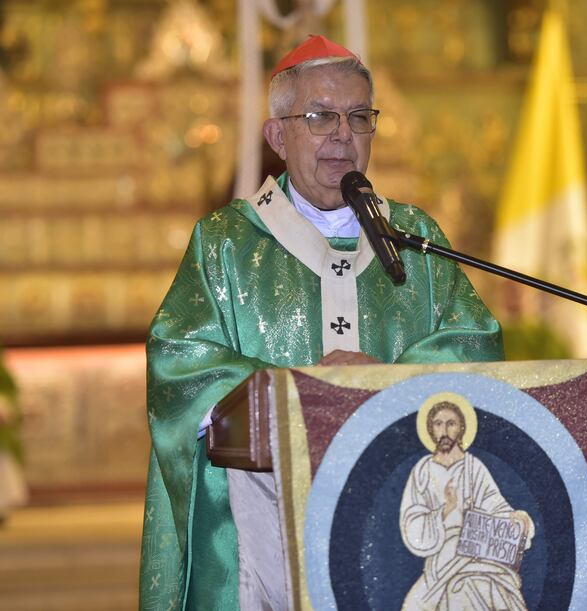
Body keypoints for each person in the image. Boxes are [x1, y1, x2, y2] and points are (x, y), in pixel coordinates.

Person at [140, 35, 503, 610]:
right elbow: (180, 361)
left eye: (360, 117)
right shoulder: (228, 242)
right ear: (277, 137)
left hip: (400, 517)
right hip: (263, 521)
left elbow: (474, 343)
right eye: (319, 117)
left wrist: (385, 379)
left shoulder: (414, 237)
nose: (342, 134)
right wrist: (299, 392)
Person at [400, 401, 533, 610]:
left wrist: (517, 519)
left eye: (450, 423)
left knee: (475, 592)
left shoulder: (474, 468)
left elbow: (496, 507)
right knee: (412, 605)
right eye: (437, 424)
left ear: (461, 428)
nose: (444, 431)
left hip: (475, 556)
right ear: (430, 429)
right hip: (439, 562)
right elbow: (411, 521)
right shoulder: (422, 471)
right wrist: (446, 509)